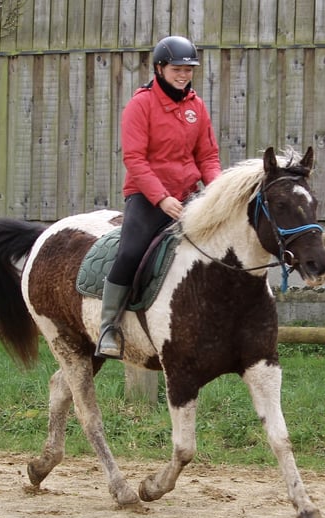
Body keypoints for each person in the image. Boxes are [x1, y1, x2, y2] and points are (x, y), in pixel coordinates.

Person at [96, 35, 222, 358]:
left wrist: (219, 193)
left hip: (188, 195)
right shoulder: (141, 104)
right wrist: (161, 198)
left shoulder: (197, 106)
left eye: (189, 69)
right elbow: (134, 160)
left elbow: (207, 156)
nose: (183, 74)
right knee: (131, 251)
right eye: (177, 68)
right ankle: (109, 325)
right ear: (160, 68)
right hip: (147, 195)